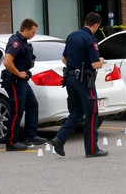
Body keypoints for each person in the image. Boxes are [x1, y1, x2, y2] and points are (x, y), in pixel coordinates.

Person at [52, 12, 108, 158]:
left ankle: (59, 139)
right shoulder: (90, 40)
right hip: (84, 81)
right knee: (92, 112)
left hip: (70, 79)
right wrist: (101, 61)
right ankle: (91, 149)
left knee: (76, 112)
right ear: (96, 25)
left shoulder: (72, 36)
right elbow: (95, 64)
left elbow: (64, 59)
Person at [2, 18, 47, 151]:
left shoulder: (23, 42)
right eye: (32, 32)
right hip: (15, 81)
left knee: (32, 105)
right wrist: (18, 73)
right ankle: (11, 142)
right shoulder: (16, 43)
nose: (34, 34)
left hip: (23, 81)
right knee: (17, 111)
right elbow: (7, 62)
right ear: (25, 30)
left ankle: (30, 136)